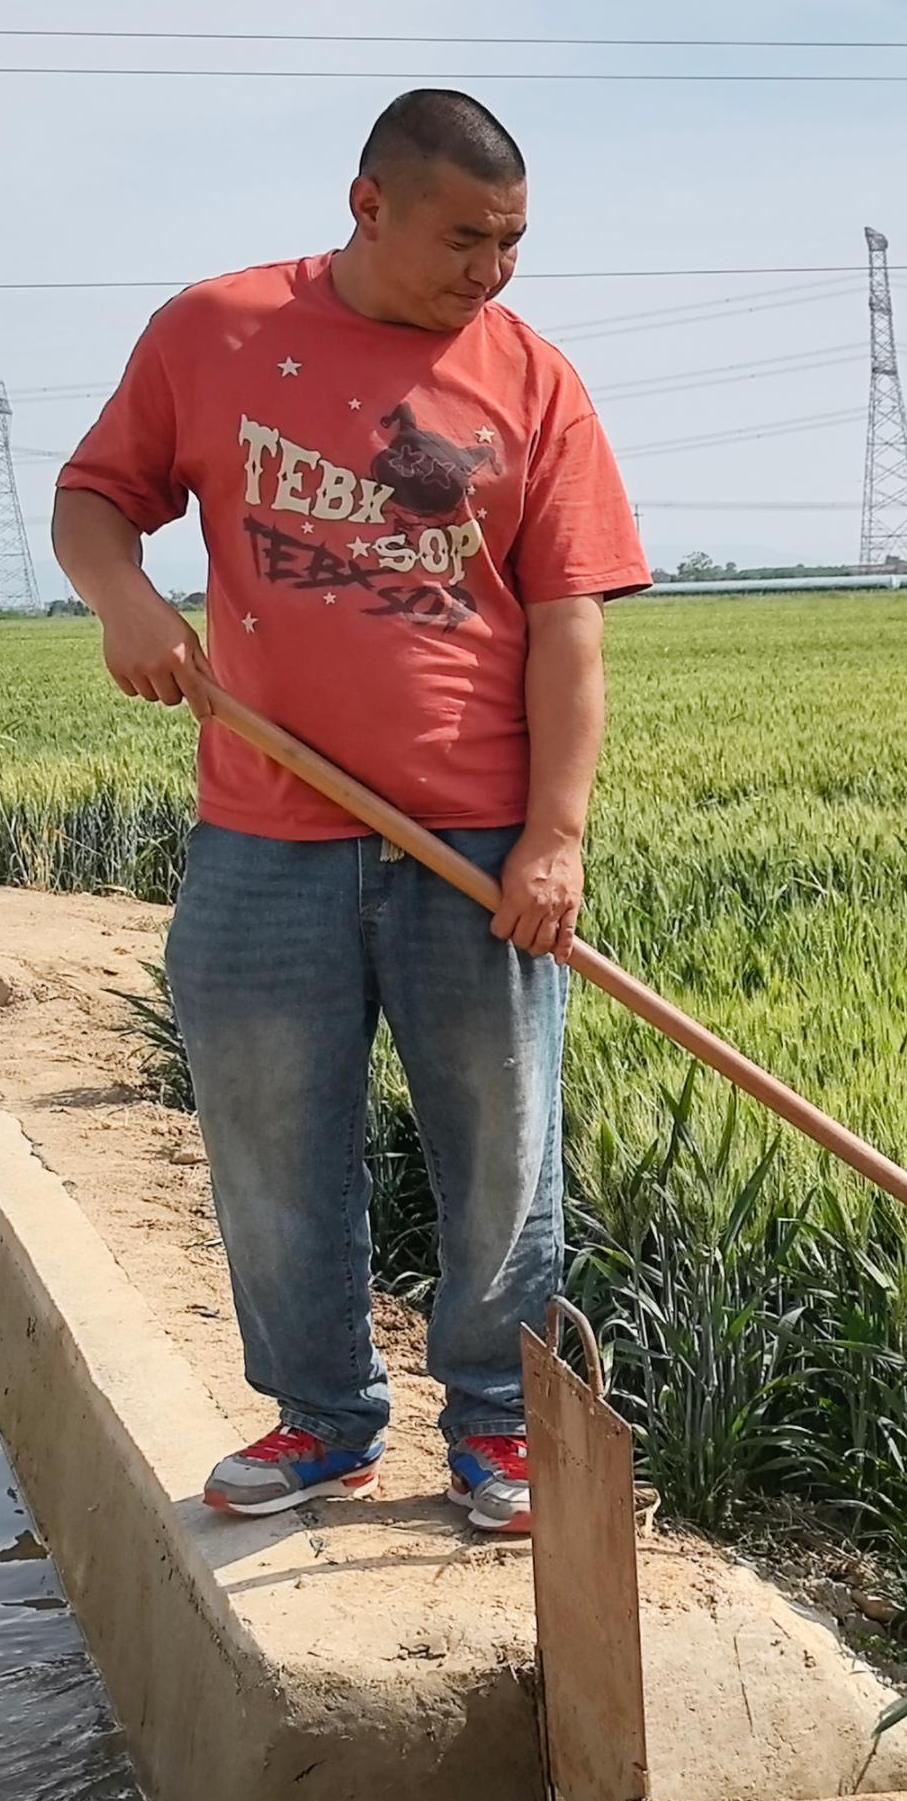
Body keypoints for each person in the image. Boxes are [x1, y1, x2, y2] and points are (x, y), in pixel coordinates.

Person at [49, 89, 646, 1537]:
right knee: (269, 1146)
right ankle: (322, 1424)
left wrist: (554, 838)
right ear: (368, 204)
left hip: (475, 847)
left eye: (511, 242)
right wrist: (125, 601)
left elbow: (568, 626)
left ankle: (498, 1430)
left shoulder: (534, 380)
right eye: (463, 238)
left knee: (503, 1156)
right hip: (267, 834)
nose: (489, 271)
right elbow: (92, 499)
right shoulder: (216, 331)